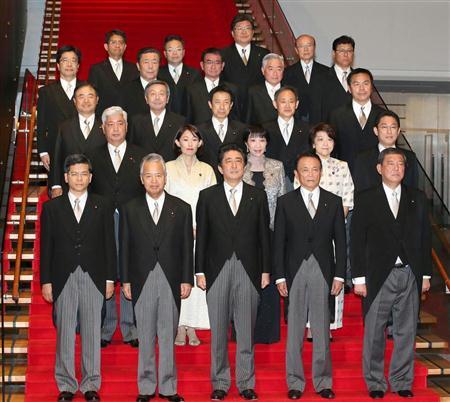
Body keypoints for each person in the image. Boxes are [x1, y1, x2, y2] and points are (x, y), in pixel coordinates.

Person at [351, 148, 431, 399]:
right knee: (374, 331)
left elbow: (425, 238)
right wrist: (359, 278)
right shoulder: (366, 198)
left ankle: (401, 380)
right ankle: (375, 382)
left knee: (406, 331)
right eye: (390, 163)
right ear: (379, 168)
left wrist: (426, 275)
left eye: (400, 164)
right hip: (377, 275)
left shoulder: (417, 197)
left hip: (409, 273)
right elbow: (357, 240)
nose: (396, 168)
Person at [195, 143, 271, 401]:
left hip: (249, 269)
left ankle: (246, 383)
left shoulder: (257, 196)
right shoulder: (207, 196)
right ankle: (219, 382)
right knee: (218, 332)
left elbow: (264, 236)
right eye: (228, 161)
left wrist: (266, 270)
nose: (234, 165)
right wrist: (199, 271)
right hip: (216, 269)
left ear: (244, 165)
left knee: (246, 331)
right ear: (220, 167)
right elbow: (202, 236)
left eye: (238, 160)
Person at [40, 153, 116, 402]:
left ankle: (91, 383)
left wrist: (109, 279)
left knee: (92, 331)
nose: (79, 178)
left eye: (84, 174)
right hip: (63, 276)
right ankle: (66, 384)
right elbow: (46, 247)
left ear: (91, 177)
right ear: (65, 177)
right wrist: (46, 281)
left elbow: (109, 243)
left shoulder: (102, 205)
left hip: (94, 275)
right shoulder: (52, 208)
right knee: (65, 331)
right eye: (74, 174)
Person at [274, 151, 346, 400]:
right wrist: (279, 276)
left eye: (315, 169)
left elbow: (341, 242)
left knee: (321, 328)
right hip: (294, 270)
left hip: (323, 270)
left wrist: (340, 275)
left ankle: (323, 381)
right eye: (305, 169)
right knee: (294, 329)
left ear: (321, 173)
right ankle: (294, 382)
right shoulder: (285, 202)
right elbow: (278, 242)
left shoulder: (333, 201)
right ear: (296, 174)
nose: (310, 174)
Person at [121, 153, 193, 402]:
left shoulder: (181, 208)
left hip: (171, 278)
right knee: (145, 335)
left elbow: (186, 247)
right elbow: (125, 246)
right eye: (149, 176)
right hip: (141, 278)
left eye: (158, 175)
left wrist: (186, 279)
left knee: (167, 333)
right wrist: (126, 280)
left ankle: (168, 387)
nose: (154, 181)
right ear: (141, 179)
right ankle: (146, 387)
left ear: (165, 177)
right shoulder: (130, 209)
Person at [89, 106, 147, 349]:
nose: (115, 129)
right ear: (103, 128)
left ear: (127, 126)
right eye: (110, 125)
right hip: (102, 222)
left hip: (132, 221)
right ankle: (106, 327)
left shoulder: (140, 154)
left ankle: (130, 326)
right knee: (107, 271)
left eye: (119, 124)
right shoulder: (92, 155)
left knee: (130, 271)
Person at [294, 124, 354, 339]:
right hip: (308, 233)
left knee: (332, 276)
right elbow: (297, 199)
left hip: (333, 232)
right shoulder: (304, 164)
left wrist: (331, 224)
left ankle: (329, 324)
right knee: (310, 277)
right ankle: (310, 325)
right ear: (313, 143)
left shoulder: (342, 166)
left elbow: (347, 199)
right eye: (320, 139)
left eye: (329, 139)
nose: (325, 144)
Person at [165, 125, 217, 346]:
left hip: (200, 231)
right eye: (185, 139)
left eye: (194, 139)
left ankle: (192, 326)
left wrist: (202, 228)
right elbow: (163, 200)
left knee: (197, 278)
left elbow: (212, 202)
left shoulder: (207, 169)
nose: (189, 144)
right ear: (177, 142)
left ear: (200, 143)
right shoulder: (167, 167)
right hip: (174, 231)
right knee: (178, 277)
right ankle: (179, 325)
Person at [243, 126, 285, 343]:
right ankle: (244, 329)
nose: (257, 145)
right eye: (253, 140)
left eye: (261, 140)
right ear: (246, 144)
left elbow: (283, 200)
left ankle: (267, 331)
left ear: (267, 143)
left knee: (269, 280)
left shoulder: (277, 166)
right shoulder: (238, 165)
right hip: (245, 233)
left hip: (272, 232)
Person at [50, 82, 106, 197]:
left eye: (90, 96)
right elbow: (57, 157)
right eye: (81, 97)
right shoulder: (64, 127)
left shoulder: (106, 126)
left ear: (97, 100)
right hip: (69, 187)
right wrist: (56, 185)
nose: (86, 101)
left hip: (100, 188)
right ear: (75, 101)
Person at [330, 68, 384, 173]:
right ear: (349, 88)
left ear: (372, 87)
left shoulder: (383, 115)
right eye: (356, 84)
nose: (361, 88)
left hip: (376, 174)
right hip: (345, 175)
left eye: (365, 84)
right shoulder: (336, 115)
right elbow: (332, 149)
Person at [37, 45, 80, 175]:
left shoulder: (87, 89)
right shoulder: (46, 92)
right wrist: (43, 151)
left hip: (83, 148)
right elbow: (41, 124)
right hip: (56, 148)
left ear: (78, 66)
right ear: (57, 65)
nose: (69, 64)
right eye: (64, 60)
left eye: (73, 60)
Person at [353, 110, 419, 193]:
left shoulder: (410, 157)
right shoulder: (363, 158)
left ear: (398, 131)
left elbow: (413, 189)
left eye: (393, 127)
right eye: (384, 127)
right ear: (376, 131)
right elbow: (359, 190)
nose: (389, 132)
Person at [220, 14, 270, 116]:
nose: (244, 32)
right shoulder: (222, 55)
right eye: (239, 29)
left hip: (258, 108)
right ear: (232, 33)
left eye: (247, 28)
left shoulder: (264, 54)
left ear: (253, 32)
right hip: (232, 109)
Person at [263, 86, 309, 190]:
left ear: (296, 104)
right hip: (272, 183)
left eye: (291, 101)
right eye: (283, 102)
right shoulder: (264, 129)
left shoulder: (307, 129)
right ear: (275, 104)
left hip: (300, 182)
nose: (287, 105)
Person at [196, 85, 246, 181]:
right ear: (210, 104)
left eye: (226, 102)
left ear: (231, 105)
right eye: (217, 102)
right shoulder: (199, 130)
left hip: (233, 180)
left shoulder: (241, 129)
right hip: (206, 180)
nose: (222, 107)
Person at [128, 80, 185, 162]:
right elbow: (131, 149)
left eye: (161, 94)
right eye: (153, 94)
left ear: (167, 98)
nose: (157, 98)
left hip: (171, 168)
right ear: (146, 99)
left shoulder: (179, 121)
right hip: (144, 168)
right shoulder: (136, 121)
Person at [88, 29, 139, 117]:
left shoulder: (134, 68)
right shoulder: (96, 69)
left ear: (125, 47)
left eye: (120, 42)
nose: (117, 45)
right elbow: (93, 95)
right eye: (113, 42)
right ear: (106, 46)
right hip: (105, 118)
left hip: (130, 117)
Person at [282, 34, 329, 124]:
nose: (306, 49)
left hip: (321, 123)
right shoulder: (287, 73)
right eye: (301, 46)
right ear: (296, 50)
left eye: (309, 45)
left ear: (314, 48)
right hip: (296, 123)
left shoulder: (326, 72)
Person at [185, 47, 240, 124]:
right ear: (202, 65)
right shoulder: (192, 90)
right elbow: (188, 119)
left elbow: (236, 118)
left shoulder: (232, 89)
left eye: (217, 63)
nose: (213, 66)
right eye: (209, 62)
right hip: (199, 131)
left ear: (222, 66)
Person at [158, 34, 201, 115]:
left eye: (178, 49)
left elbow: (197, 102)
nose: (175, 53)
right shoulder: (158, 74)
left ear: (183, 52)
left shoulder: (194, 74)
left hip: (188, 120)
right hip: (165, 119)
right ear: (165, 54)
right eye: (170, 50)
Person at [122, 48, 161, 119]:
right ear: (138, 66)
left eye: (154, 62)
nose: (150, 67)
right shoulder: (127, 89)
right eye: (146, 62)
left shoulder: (168, 87)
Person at [321, 35, 354, 120]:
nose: (346, 54)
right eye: (341, 51)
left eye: (349, 51)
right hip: (329, 126)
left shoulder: (359, 78)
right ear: (334, 53)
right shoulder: (321, 78)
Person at [245, 53, 284, 125]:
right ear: (263, 71)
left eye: (279, 69)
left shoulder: (289, 91)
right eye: (271, 69)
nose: (275, 73)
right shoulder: (253, 92)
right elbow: (248, 120)